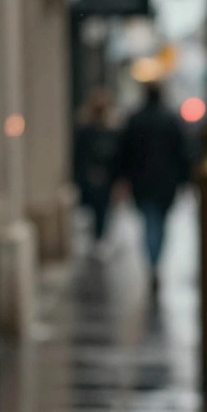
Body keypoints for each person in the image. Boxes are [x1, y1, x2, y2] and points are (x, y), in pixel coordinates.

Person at [115, 82, 190, 291]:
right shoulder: (171, 119)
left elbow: (123, 153)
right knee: (159, 224)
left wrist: (122, 178)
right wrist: (184, 180)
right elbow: (183, 152)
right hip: (166, 183)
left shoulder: (136, 119)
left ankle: (152, 263)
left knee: (150, 223)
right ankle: (155, 263)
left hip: (143, 182)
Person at [73, 90, 120, 256]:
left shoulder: (109, 130)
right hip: (93, 176)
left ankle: (98, 237)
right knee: (96, 208)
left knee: (101, 209)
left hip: (103, 176)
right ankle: (97, 237)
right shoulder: (88, 130)